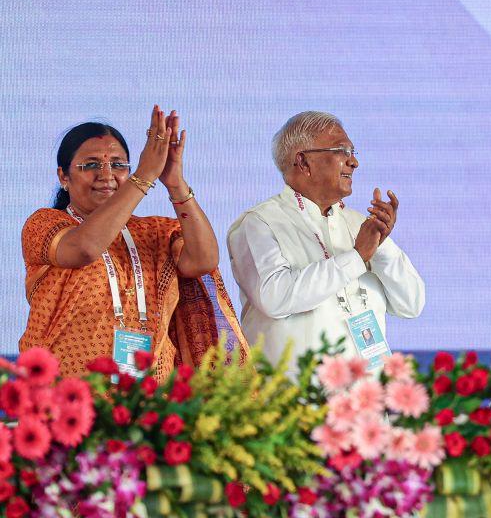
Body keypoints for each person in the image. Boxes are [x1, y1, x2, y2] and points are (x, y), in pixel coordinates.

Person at [20, 107, 247, 379]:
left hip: (148, 393)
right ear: (63, 177)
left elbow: (203, 261)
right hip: (67, 394)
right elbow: (84, 249)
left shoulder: (155, 230)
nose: (106, 174)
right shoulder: (45, 224)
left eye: (118, 165)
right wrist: (144, 177)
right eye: (91, 165)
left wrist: (175, 183)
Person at [228, 111, 424, 370]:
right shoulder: (259, 223)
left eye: (353, 152)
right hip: (296, 402)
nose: (353, 162)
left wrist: (382, 247)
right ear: (303, 161)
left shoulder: (359, 224)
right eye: (341, 150)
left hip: (365, 399)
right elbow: (274, 298)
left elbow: (411, 304)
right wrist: (356, 257)